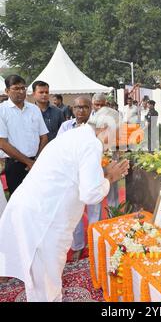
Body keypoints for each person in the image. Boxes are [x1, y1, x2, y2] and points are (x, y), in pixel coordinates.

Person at [0, 107, 129, 302]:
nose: (116, 139)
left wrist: (102, 173)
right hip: (44, 218)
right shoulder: (91, 143)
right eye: (116, 132)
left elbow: (76, 175)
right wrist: (110, 177)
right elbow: (90, 193)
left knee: (39, 277)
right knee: (46, 279)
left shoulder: (76, 135)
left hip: (33, 210)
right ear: (104, 127)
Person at [57, 96, 100, 261]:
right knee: (74, 212)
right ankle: (77, 246)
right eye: (77, 107)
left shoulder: (98, 127)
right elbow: (60, 149)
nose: (81, 110)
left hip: (93, 174)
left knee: (94, 213)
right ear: (72, 109)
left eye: (84, 107)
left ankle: (94, 245)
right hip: (72, 176)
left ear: (91, 109)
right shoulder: (66, 127)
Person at [0, 75, 48, 195]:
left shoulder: (34, 109)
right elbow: (2, 142)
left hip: (36, 163)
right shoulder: (2, 110)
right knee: (19, 204)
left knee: (38, 200)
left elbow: (44, 137)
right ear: (7, 91)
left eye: (23, 88)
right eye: (16, 88)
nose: (21, 92)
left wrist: (36, 160)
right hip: (15, 165)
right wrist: (28, 162)